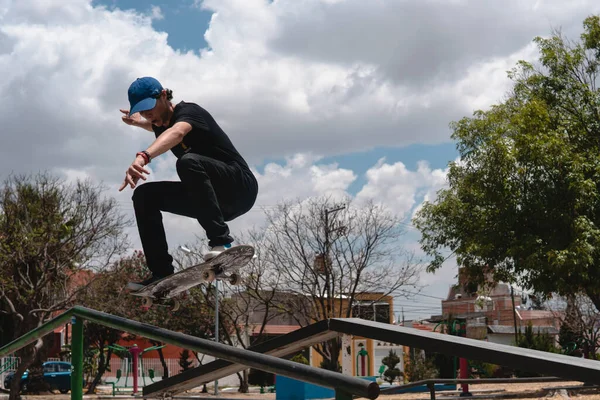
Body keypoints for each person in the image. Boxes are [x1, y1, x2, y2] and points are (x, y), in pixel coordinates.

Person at [119, 76, 258, 289]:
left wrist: (143, 156)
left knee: (188, 162)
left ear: (164, 95)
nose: (149, 115)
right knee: (144, 196)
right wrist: (140, 122)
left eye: (150, 108)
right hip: (212, 202)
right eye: (143, 111)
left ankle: (221, 243)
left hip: (239, 188)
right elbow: (157, 126)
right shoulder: (158, 122)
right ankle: (161, 273)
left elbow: (177, 132)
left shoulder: (189, 112)